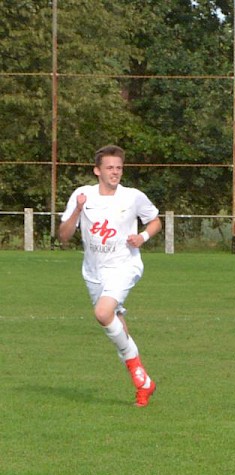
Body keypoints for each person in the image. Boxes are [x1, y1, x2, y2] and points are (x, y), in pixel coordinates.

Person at [57, 145, 161, 407]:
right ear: (97, 171)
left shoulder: (133, 196)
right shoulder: (82, 195)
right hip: (93, 272)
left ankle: (138, 372)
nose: (115, 172)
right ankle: (143, 383)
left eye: (119, 168)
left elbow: (155, 221)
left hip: (124, 266)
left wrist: (143, 237)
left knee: (103, 313)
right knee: (116, 325)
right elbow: (64, 236)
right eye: (110, 168)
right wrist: (78, 210)